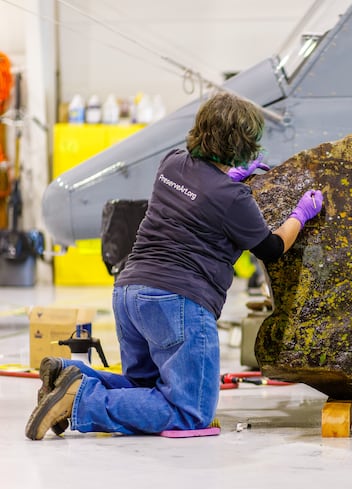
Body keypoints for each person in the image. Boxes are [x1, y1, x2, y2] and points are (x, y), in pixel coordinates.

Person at [26, 91, 323, 440]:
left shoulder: (171, 163)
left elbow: (199, 193)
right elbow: (271, 248)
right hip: (177, 300)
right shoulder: (233, 199)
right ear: (242, 144)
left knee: (145, 386)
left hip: (128, 292)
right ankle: (80, 402)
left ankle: (67, 374)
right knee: (189, 412)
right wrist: (300, 215)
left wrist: (227, 177)